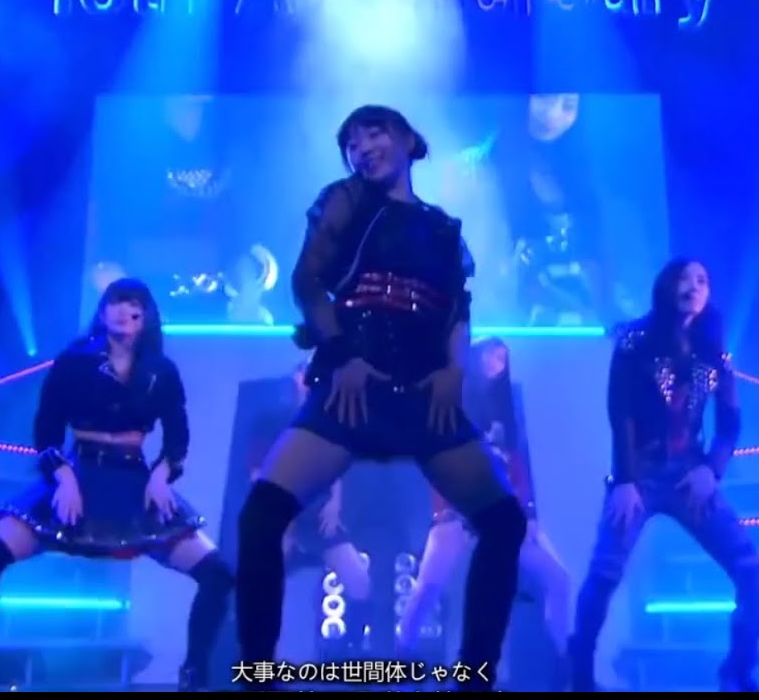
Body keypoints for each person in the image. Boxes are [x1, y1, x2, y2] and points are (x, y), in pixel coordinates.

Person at [234, 105, 528, 692]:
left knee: (503, 522)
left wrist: (455, 371)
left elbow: (457, 311)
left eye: (375, 133)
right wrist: (342, 355)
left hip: (425, 395)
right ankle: (258, 676)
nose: (362, 147)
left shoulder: (442, 229)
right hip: (352, 390)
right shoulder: (345, 200)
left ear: (408, 140)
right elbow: (307, 283)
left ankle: (476, 677)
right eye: (351, 142)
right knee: (261, 514)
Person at [0, 278, 233, 693]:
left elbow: (178, 439)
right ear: (102, 312)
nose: (122, 311)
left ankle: (194, 675)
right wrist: (63, 476)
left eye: (132, 304)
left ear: (146, 316)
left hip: (133, 482)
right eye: (114, 303)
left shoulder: (161, 371)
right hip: (78, 474)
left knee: (218, 574)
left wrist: (162, 475)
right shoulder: (74, 361)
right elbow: (46, 431)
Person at [568, 258, 759, 692]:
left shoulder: (714, 352)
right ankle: (578, 669)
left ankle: (738, 671)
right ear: (666, 285)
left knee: (753, 574)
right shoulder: (636, 342)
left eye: (702, 280)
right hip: (639, 474)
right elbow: (620, 413)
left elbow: (730, 423)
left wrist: (712, 470)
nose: (692, 286)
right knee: (604, 575)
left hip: (689, 475)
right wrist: (625, 480)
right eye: (684, 278)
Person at [397, 337, 572, 688]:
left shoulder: (508, 406)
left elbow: (519, 466)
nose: (498, 363)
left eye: (503, 358)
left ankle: (567, 668)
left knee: (559, 580)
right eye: (492, 355)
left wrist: (529, 514)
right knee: (428, 588)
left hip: (502, 511)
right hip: (459, 508)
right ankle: (399, 661)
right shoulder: (454, 401)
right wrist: (449, 510)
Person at [245, 362, 373, 652]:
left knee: (360, 582)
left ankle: (349, 648)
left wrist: (334, 504)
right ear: (297, 379)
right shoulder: (272, 419)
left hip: (317, 511)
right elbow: (256, 471)